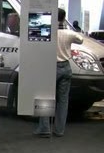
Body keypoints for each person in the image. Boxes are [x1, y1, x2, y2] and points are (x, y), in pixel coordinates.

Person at [34, 8, 83, 138]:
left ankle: (44, 128)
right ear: (63, 18)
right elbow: (80, 40)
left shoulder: (47, 31)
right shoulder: (69, 33)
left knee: (45, 97)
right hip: (66, 68)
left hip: (50, 67)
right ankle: (59, 130)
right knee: (63, 100)